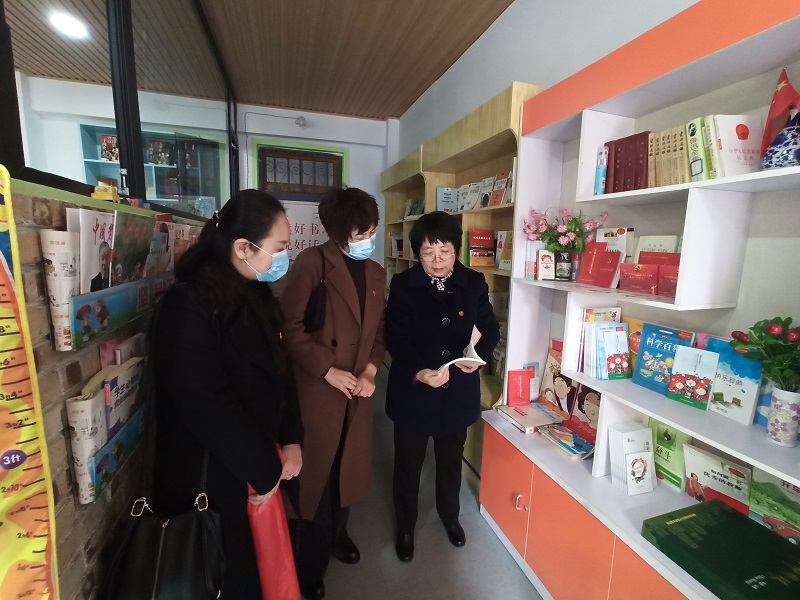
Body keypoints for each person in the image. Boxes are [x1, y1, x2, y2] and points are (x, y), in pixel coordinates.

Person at [150, 189, 303, 600]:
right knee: (226, 578)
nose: (284, 257)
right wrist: (264, 469)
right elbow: (206, 403)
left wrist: (292, 437)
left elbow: (281, 370)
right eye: (279, 248)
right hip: (215, 481)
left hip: (256, 467)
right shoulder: (188, 304)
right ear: (242, 247)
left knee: (260, 573)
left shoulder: (255, 292)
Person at [280, 187, 386, 600]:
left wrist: (372, 370)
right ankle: (311, 562)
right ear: (338, 233)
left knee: (349, 468)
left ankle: (339, 535)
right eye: (360, 234)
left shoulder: (376, 272)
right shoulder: (312, 262)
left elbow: (379, 330)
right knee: (318, 477)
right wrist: (327, 369)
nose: (368, 240)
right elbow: (290, 326)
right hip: (319, 389)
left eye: (372, 231)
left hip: (358, 390)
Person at [385, 211, 500, 562]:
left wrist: (475, 357)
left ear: (457, 250)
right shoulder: (403, 285)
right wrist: (419, 371)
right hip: (414, 392)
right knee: (408, 465)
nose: (437, 260)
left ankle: (450, 517)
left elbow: (490, 329)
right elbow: (397, 338)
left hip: (456, 391)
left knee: (450, 461)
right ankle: (406, 526)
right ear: (417, 253)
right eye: (428, 253)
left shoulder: (474, 283)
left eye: (445, 252)